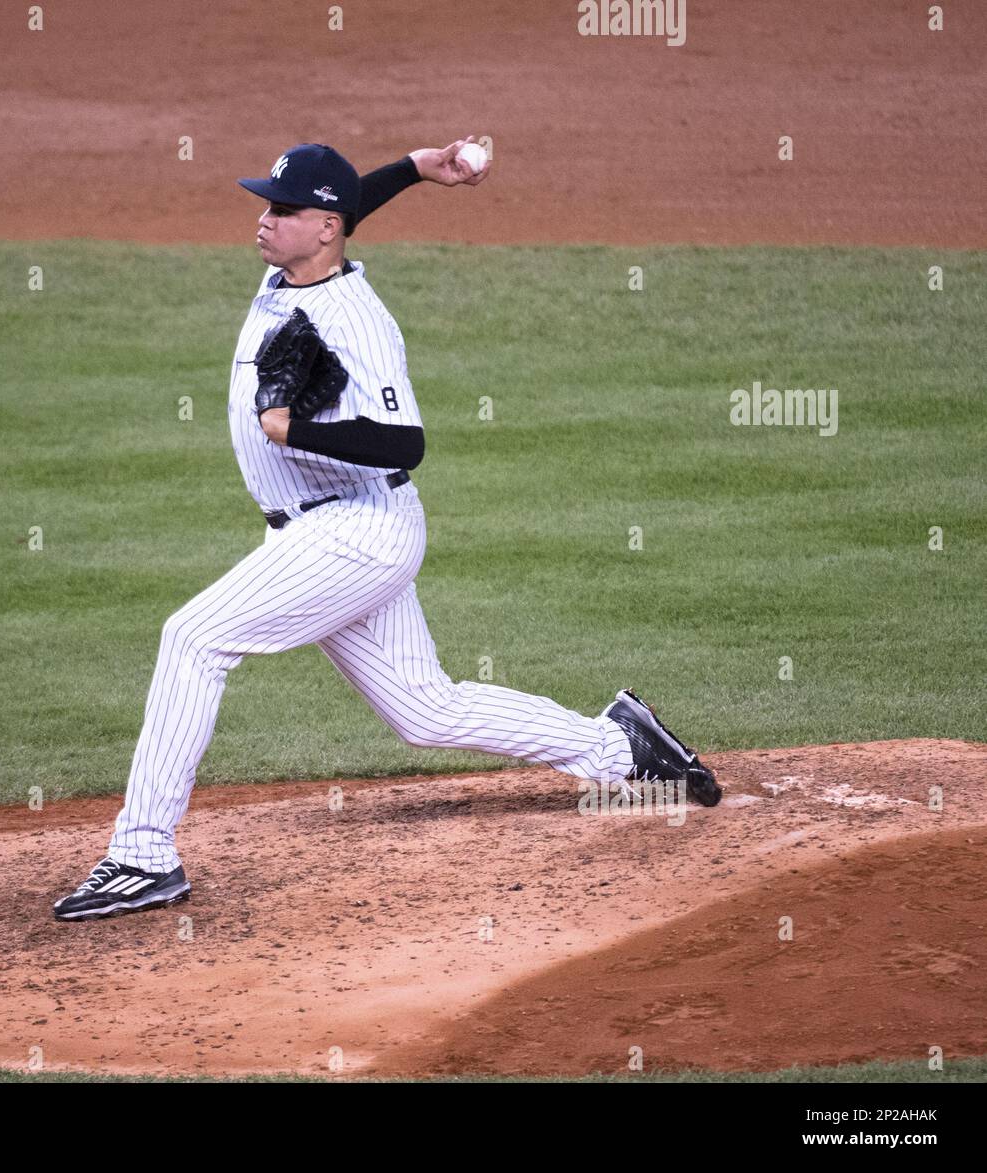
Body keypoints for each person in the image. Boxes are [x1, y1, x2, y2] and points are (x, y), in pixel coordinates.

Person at [53, 139, 720, 922]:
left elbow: (407, 443)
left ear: (324, 229)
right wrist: (413, 167)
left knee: (194, 638)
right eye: (267, 203)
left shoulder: (356, 323)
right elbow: (347, 205)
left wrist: (293, 429)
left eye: (282, 209)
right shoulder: (296, 267)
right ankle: (623, 749)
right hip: (322, 531)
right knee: (426, 711)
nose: (263, 220)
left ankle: (142, 854)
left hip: (355, 531)